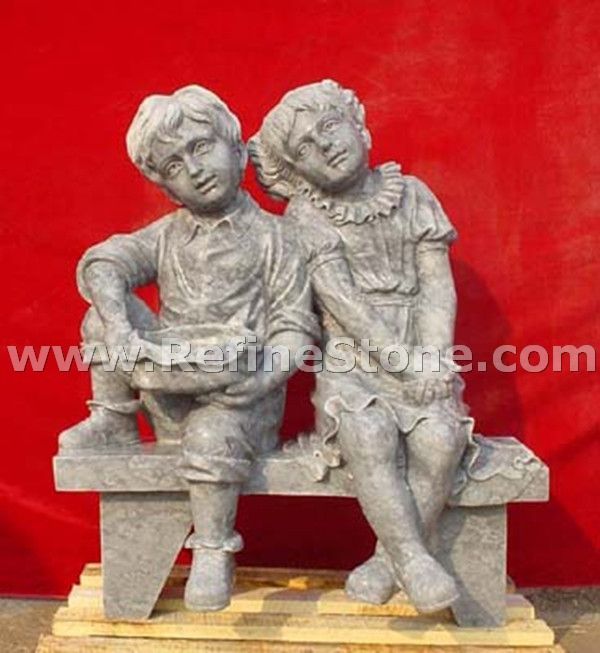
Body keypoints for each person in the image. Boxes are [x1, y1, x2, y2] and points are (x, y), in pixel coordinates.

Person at [59, 85, 317, 612]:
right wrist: (119, 326)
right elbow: (105, 262)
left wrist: (260, 382)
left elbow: (294, 332)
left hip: (241, 401)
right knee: (101, 313)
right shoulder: (167, 236)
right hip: (166, 385)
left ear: (237, 150)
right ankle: (113, 417)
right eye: (174, 165)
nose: (195, 170)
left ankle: (213, 547)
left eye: (201, 147)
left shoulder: (278, 239)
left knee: (210, 431)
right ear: (166, 188)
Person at [249, 80, 472, 613]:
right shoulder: (307, 216)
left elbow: (437, 286)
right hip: (352, 363)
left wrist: (434, 358)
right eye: (305, 147)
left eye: (329, 126)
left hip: (421, 354)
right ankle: (414, 561)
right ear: (296, 171)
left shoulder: (412, 194)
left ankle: (387, 560)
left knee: (442, 438)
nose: (325, 145)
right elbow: (343, 304)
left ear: (358, 124)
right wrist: (402, 365)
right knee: (368, 433)